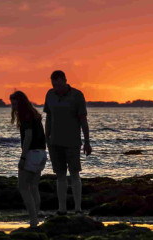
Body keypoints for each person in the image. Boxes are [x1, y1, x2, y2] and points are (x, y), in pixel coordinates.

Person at [44, 70, 92, 215]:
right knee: (60, 175)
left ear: (65, 81)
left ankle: (78, 208)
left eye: (59, 84)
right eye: (54, 85)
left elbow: (83, 119)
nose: (56, 88)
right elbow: (48, 117)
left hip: (72, 142)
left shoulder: (77, 95)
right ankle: (62, 209)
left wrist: (87, 141)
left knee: (75, 173)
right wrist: (46, 138)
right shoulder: (50, 94)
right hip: (54, 142)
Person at [10, 90, 47, 228]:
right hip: (42, 153)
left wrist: (23, 157)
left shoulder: (25, 115)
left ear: (21, 103)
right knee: (34, 187)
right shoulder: (33, 114)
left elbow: (28, 137)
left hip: (32, 154)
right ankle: (35, 218)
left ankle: (33, 220)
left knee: (23, 187)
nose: (13, 106)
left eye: (14, 103)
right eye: (12, 103)